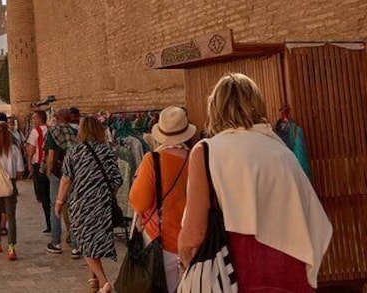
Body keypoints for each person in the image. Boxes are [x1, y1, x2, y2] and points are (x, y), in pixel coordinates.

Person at [178, 73, 332, 291]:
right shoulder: (281, 152)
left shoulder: (207, 152)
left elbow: (193, 234)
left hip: (236, 277)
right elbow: (315, 225)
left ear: (215, 109)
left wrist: (184, 265)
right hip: (290, 277)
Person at [128, 106, 196, 292]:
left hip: (161, 241)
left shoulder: (153, 160)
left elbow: (139, 202)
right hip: (192, 243)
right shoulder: (196, 158)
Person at [56, 116, 122, 293]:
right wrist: (105, 195)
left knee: (85, 243)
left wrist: (59, 200)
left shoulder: (74, 151)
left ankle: (104, 282)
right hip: (102, 204)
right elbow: (116, 180)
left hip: (80, 205)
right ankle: (93, 282)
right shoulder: (107, 152)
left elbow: (66, 179)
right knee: (94, 242)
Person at [0, 122, 25, 261]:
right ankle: (11, 247)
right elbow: (20, 171)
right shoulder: (14, 149)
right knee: (11, 215)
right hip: (10, 183)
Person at [44, 107, 80, 257]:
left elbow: (51, 156)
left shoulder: (53, 132)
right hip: (74, 173)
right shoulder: (75, 132)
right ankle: (75, 245)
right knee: (73, 207)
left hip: (58, 174)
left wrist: (48, 171)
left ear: (57, 117)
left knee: (56, 207)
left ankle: (56, 242)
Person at [25, 110, 51, 233]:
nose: (33, 120)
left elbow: (31, 149)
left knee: (44, 196)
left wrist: (29, 163)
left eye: (34, 118)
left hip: (39, 165)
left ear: (40, 118)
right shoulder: (51, 129)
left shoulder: (36, 131)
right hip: (52, 165)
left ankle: (49, 223)